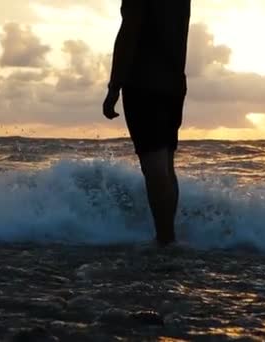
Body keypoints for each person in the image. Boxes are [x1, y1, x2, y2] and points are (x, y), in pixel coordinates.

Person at [103, 0, 191, 247]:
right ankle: (168, 236)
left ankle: (165, 240)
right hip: (174, 85)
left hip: (143, 83)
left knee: (155, 168)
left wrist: (114, 87)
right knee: (166, 164)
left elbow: (129, 32)